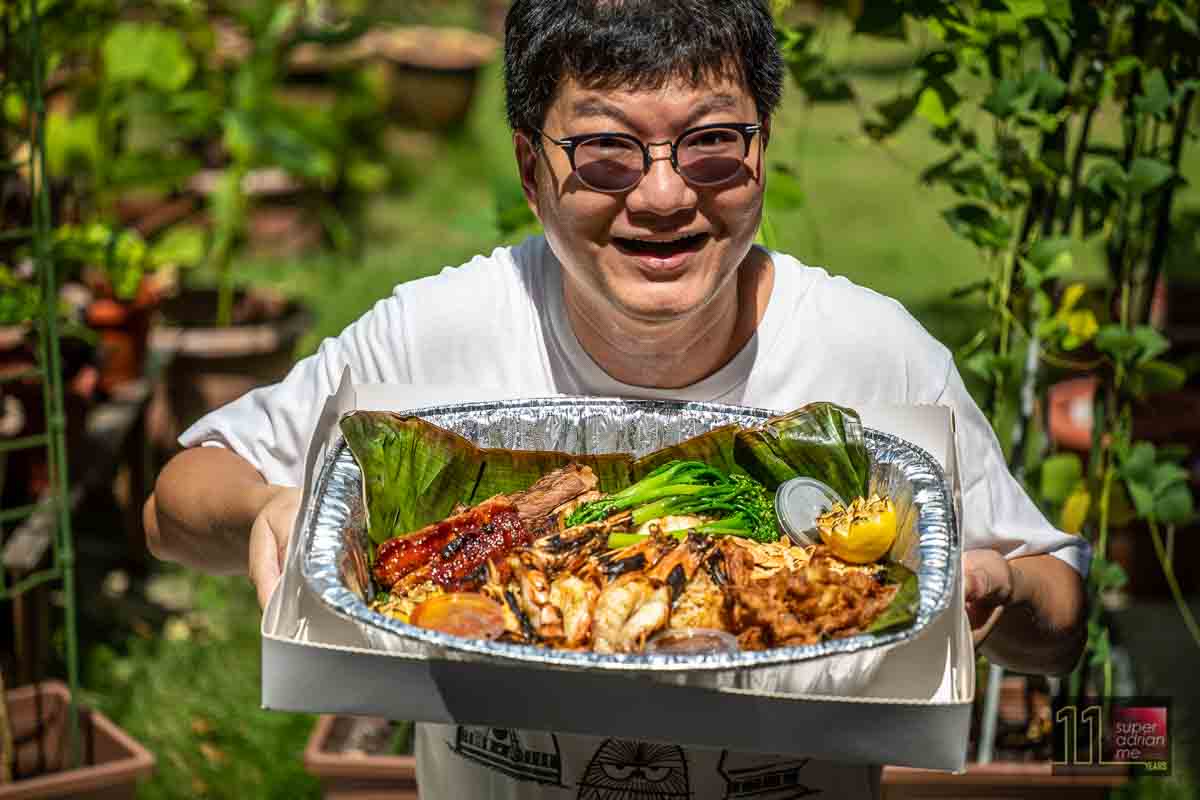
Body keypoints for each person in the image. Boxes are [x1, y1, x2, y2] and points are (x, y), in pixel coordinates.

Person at [145, 1, 1089, 796]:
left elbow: (1060, 614)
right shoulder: (438, 334)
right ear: (529, 168)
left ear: (762, 150)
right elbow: (173, 509)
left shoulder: (876, 356)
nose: (666, 195)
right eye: (604, 151)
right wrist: (269, 505)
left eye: (713, 143)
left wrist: (1003, 590)